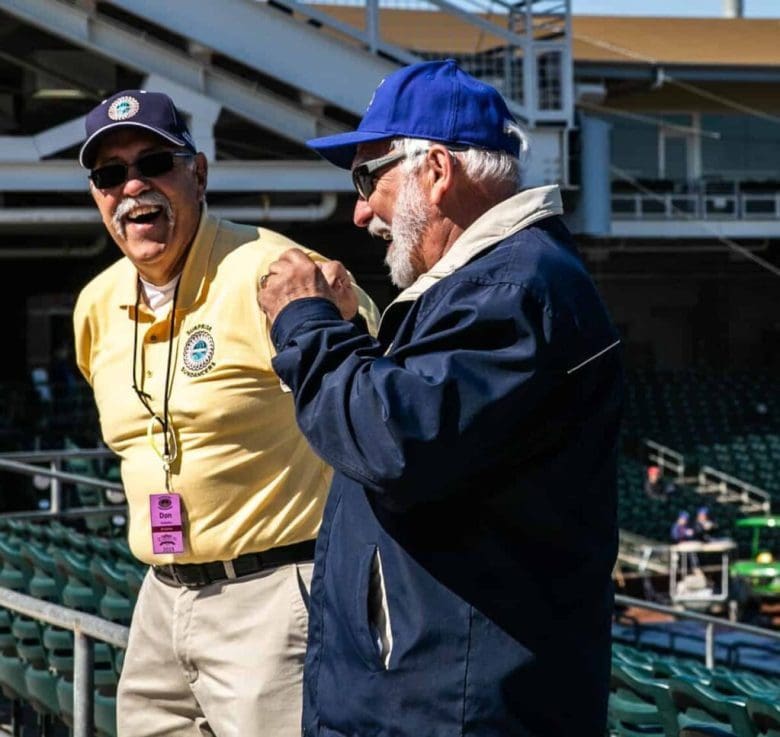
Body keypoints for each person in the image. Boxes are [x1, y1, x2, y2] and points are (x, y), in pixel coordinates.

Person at [258, 60, 623, 737]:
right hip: (425, 696)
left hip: (456, 707)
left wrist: (306, 324)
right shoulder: (495, 282)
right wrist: (342, 335)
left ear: (435, 170)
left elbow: (395, 443)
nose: (361, 211)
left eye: (369, 178)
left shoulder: (515, 289)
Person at [73, 89, 378, 737]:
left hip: (270, 597)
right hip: (161, 593)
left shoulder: (268, 269)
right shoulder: (95, 305)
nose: (132, 186)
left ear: (198, 173)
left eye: (154, 162)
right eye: (109, 173)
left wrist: (345, 314)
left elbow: (373, 371)